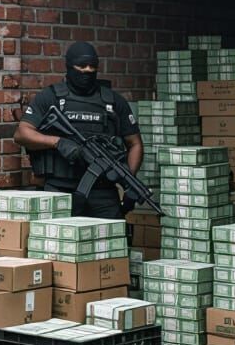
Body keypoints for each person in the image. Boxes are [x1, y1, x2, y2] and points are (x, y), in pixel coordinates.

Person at [14, 41, 143, 219]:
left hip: (103, 193)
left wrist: (129, 180)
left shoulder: (113, 101)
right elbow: (22, 133)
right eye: (81, 66)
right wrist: (58, 142)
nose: (87, 71)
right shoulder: (51, 97)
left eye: (92, 66)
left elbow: (135, 144)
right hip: (59, 190)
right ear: (69, 66)